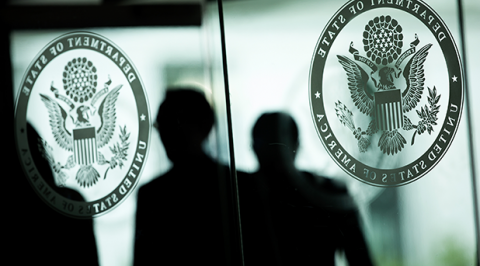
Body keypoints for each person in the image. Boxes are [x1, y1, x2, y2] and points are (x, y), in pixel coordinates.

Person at [238, 112, 374, 265]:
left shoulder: (239, 196)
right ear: (297, 146)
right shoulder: (327, 194)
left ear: (253, 148)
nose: (276, 159)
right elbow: (361, 259)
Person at [134, 88, 228, 265]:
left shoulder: (152, 194)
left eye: (173, 123)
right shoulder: (236, 185)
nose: (166, 134)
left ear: (204, 125)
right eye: (163, 125)